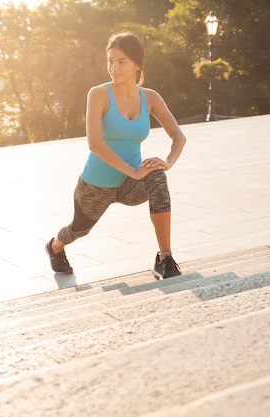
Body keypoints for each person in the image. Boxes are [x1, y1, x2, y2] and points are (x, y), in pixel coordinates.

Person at [45, 31, 187, 279]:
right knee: (78, 230)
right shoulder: (99, 94)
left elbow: (178, 136)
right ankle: (55, 246)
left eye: (122, 61)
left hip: (129, 185)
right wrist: (133, 170)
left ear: (137, 64)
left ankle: (165, 258)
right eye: (111, 61)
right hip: (96, 185)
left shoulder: (150, 97)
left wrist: (168, 163)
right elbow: (95, 143)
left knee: (157, 177)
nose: (114, 67)